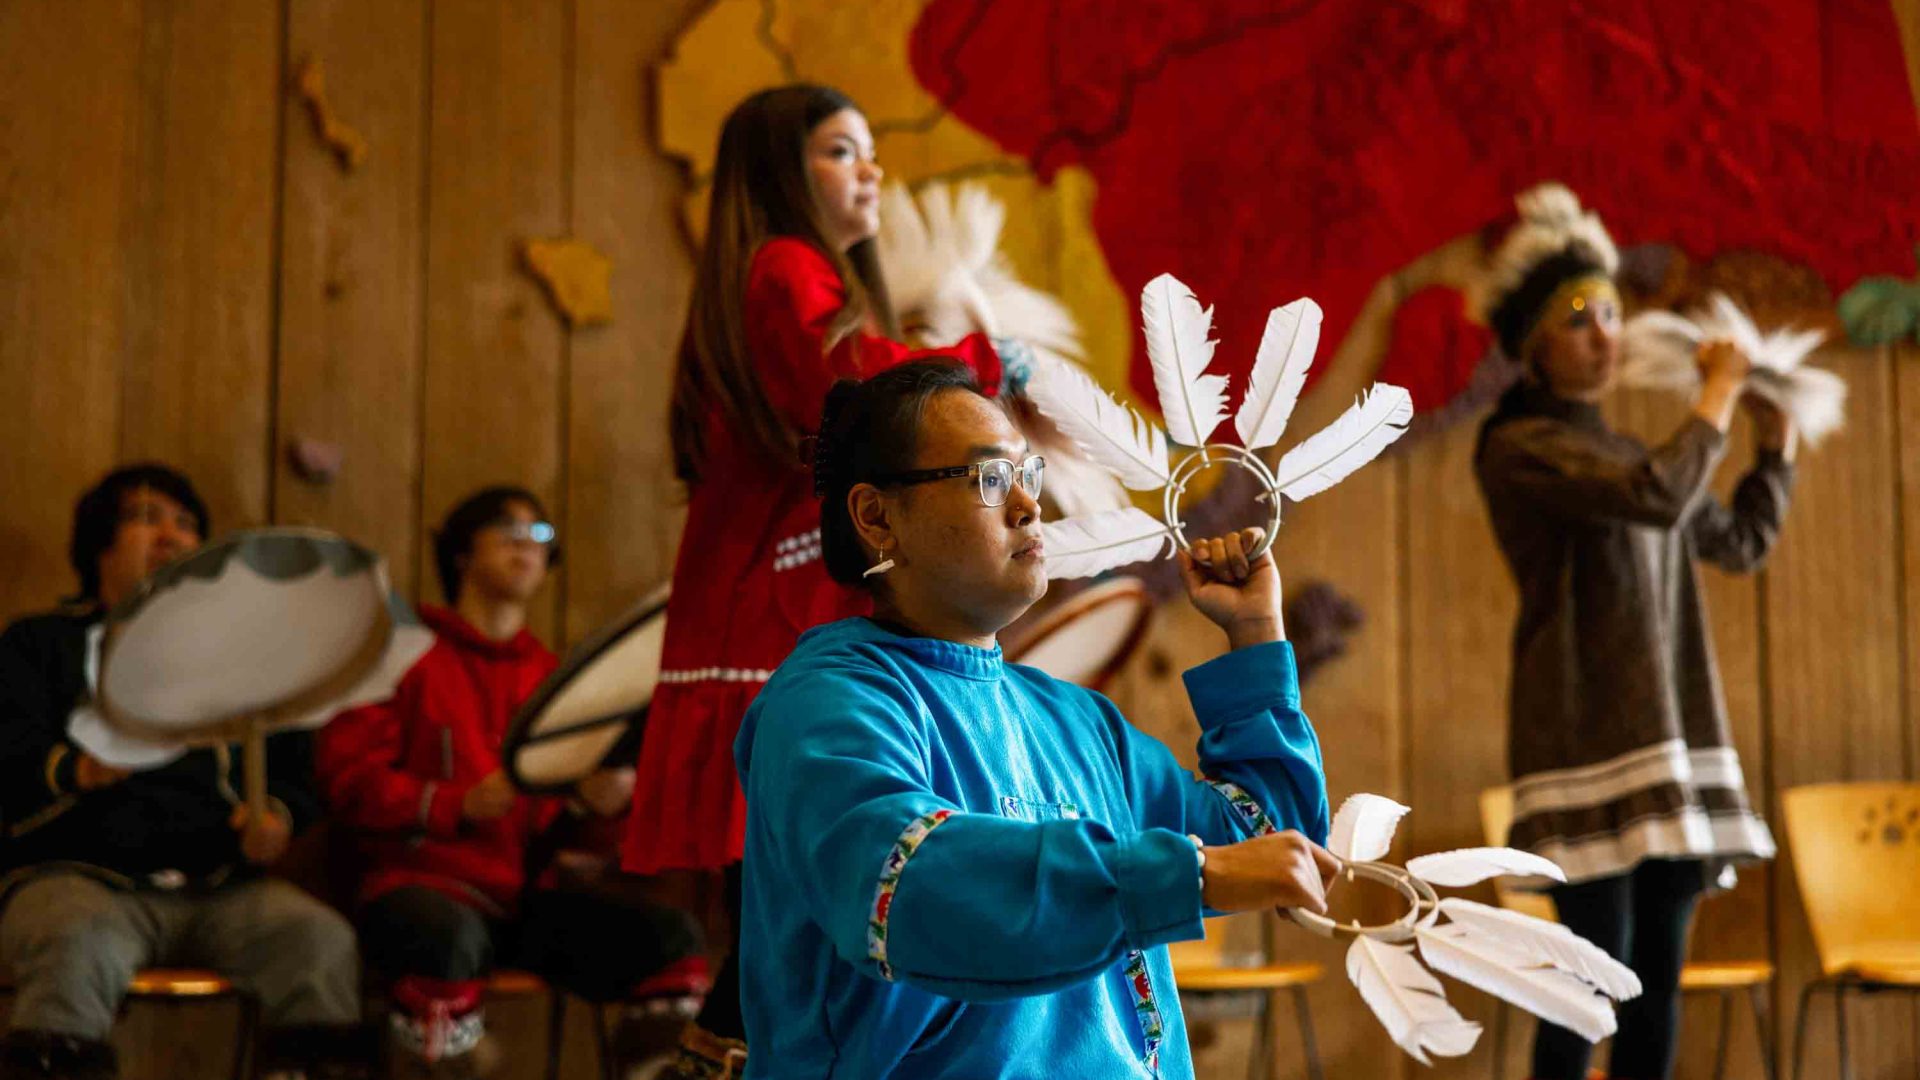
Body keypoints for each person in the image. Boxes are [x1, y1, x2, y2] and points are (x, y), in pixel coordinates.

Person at [735, 359, 1335, 1078]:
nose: (1028, 505)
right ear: (876, 517)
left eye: (1029, 473)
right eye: (990, 480)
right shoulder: (827, 703)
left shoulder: (1078, 721)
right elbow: (910, 885)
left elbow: (1275, 839)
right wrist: (1190, 876)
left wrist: (1255, 634)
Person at [633, 83, 1026, 1073]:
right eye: (842, 151)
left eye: (870, 151)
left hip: (771, 601)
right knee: (794, 883)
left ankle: (732, 1049)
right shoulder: (781, 270)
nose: (872, 171)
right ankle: (724, 1053)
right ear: (783, 170)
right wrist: (982, 362)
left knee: (794, 892)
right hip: (773, 609)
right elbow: (864, 385)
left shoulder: (784, 279)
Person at [1472, 185, 1793, 1080]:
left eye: (1613, 313)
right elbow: (1660, 493)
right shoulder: (1518, 445)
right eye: (1579, 318)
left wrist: (1779, 452)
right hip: (1584, 738)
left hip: (1669, 736)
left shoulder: (1627, 456)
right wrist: (1718, 394)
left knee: (1658, 983)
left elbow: (1738, 540)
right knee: (1587, 985)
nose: (1604, 333)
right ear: (1533, 341)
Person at [317, 488, 701, 1079]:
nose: (527, 541)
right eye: (507, 527)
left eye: (540, 533)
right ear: (461, 554)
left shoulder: (552, 677)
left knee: (668, 939)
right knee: (442, 940)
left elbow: (565, 827)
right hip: (423, 884)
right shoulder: (401, 653)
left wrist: (597, 809)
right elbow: (347, 780)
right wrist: (452, 804)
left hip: (522, 894)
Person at [0, 464, 364, 1080]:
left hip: (219, 885)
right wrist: (76, 772)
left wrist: (276, 816)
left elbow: (296, 774)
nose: (170, 537)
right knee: (74, 941)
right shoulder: (40, 645)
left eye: (187, 524)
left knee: (318, 942)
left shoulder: (241, 662)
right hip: (80, 878)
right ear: (99, 547)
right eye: (146, 518)